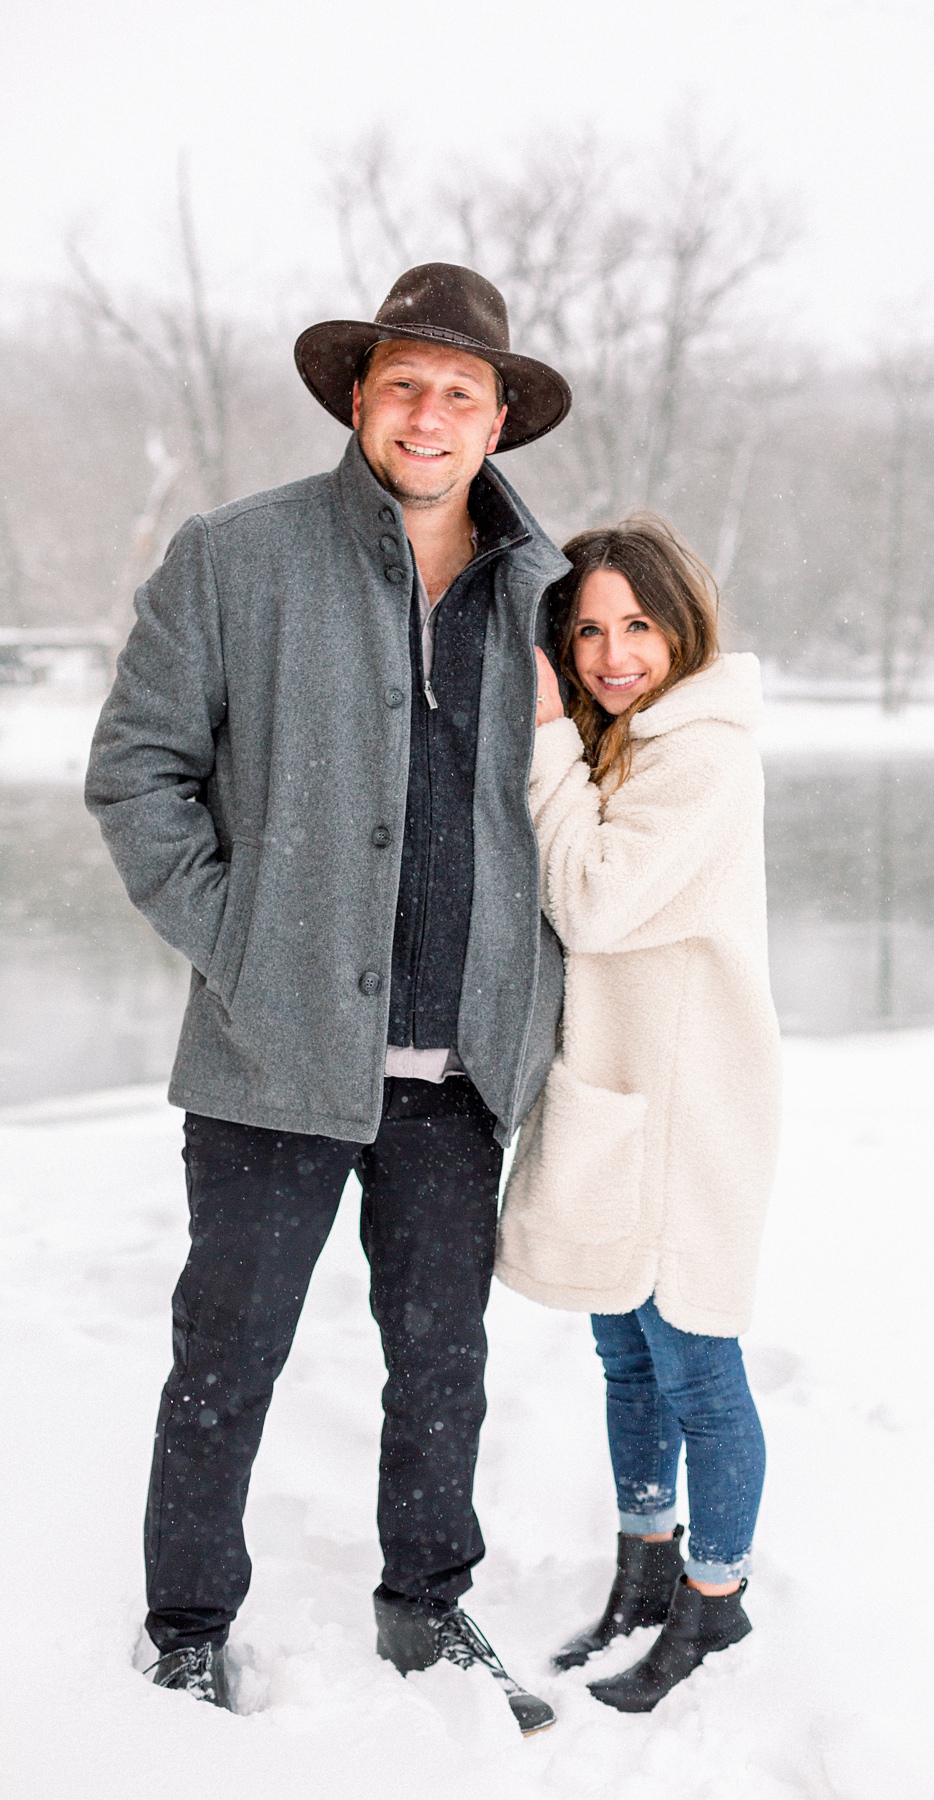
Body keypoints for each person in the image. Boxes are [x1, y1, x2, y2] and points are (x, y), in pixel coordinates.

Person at [85, 263, 573, 1733]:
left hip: (463, 1060)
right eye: (405, 384)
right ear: (359, 398)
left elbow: (595, 808)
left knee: (443, 1357)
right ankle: (186, 1625)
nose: (430, 414)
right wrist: (243, 944)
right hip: (268, 1050)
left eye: (460, 393)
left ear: (498, 422)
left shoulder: (553, 594)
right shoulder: (237, 559)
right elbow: (137, 773)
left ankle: (427, 1603)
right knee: (226, 1352)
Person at [496, 515, 782, 1713]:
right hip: (619, 1092)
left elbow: (600, 908)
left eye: (638, 626)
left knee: (695, 1364)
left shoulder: (700, 754)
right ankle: (644, 1566)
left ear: (682, 627)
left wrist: (551, 748)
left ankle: (715, 1603)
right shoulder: (635, 743)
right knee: (623, 1351)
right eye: (590, 631)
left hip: (686, 1103)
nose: (614, 654)